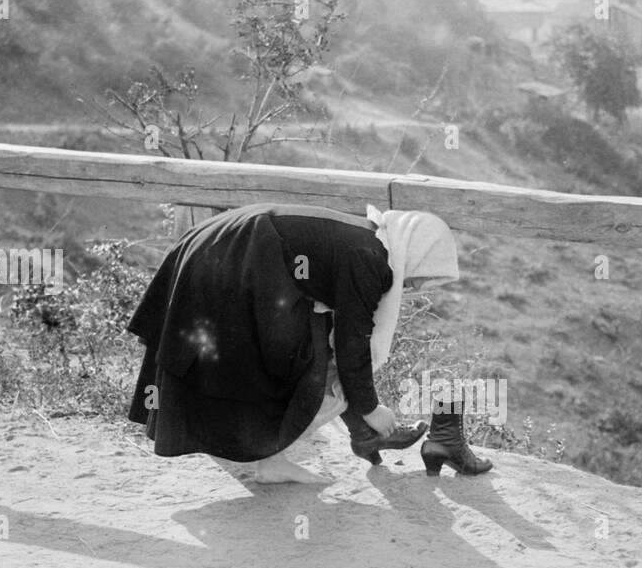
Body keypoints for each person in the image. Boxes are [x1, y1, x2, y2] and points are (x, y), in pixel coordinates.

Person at [126, 202, 491, 483]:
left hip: (219, 247)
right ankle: (274, 458)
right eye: (421, 276)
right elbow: (352, 347)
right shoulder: (370, 260)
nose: (416, 289)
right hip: (233, 258)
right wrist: (371, 408)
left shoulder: (368, 240)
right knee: (303, 359)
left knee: (306, 347)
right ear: (416, 250)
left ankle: (280, 455)